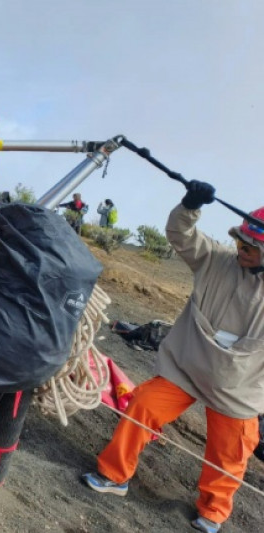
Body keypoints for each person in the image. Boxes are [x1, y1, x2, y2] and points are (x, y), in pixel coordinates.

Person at [82, 182, 264, 533]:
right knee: (144, 405)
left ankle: (212, 512)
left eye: (252, 246)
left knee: (230, 455)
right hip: (187, 367)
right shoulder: (214, 259)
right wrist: (189, 205)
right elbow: (179, 232)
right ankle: (113, 475)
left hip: (239, 390)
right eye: (241, 241)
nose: (242, 248)